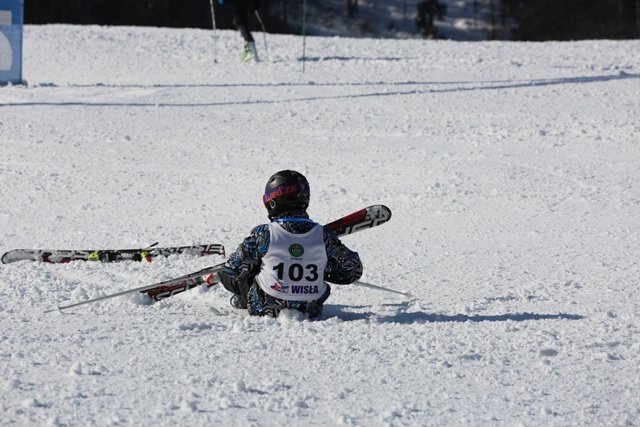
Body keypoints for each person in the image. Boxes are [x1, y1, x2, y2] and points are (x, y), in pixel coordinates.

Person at [214, 170, 363, 318]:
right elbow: (352, 271)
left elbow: (232, 269)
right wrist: (320, 268)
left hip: (265, 308)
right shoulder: (324, 236)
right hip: (310, 310)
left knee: (229, 275)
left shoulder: (264, 233)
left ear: (272, 201)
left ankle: (244, 301)